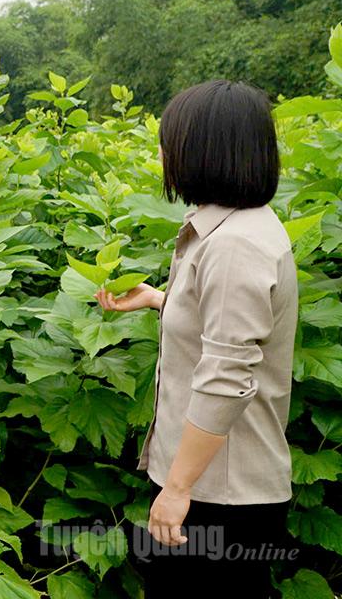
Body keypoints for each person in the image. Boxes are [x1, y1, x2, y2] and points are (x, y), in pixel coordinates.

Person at [95, 80, 296, 598]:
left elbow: (228, 376)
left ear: (206, 149)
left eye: (171, 141)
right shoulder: (235, 228)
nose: (162, 153)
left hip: (219, 495)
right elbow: (229, 328)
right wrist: (162, 300)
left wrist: (179, 489)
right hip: (213, 485)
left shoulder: (233, 244)